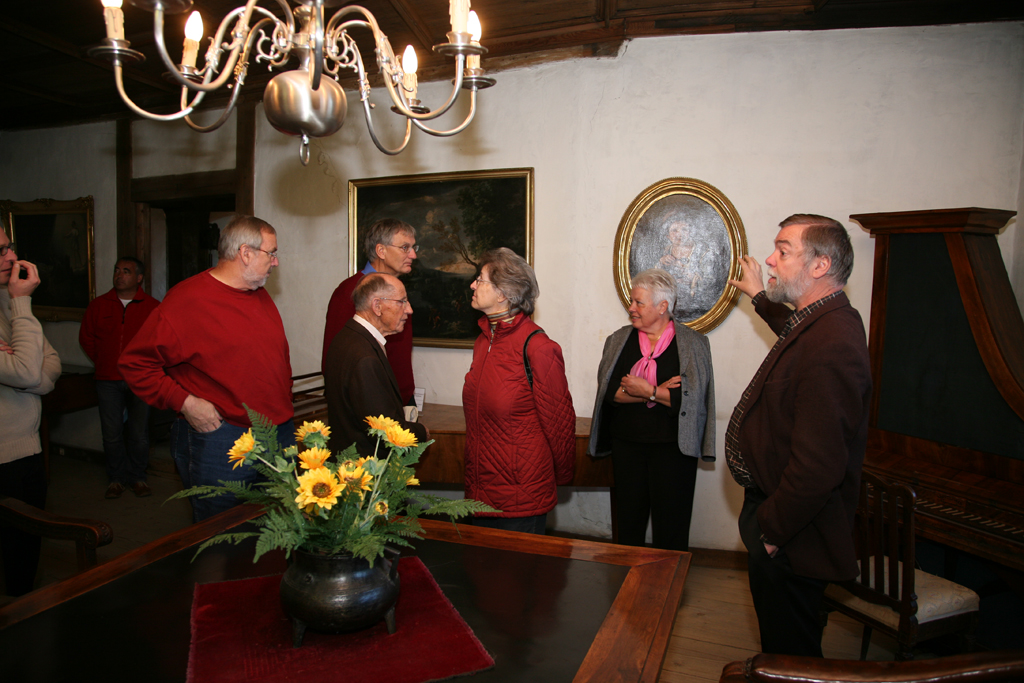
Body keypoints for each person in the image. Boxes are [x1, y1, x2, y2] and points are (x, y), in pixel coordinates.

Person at [725, 213, 871, 657]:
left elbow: (818, 467)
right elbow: (791, 332)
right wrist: (758, 296)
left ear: (820, 265)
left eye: (783, 251)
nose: (770, 260)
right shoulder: (820, 321)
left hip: (792, 535)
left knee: (791, 658)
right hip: (785, 526)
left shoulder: (834, 342)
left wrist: (772, 532)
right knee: (783, 646)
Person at [119, 216, 295, 523]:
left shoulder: (258, 292)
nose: (276, 262)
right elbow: (135, 363)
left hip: (277, 432)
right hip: (223, 437)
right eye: (272, 253)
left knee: (277, 531)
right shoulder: (188, 300)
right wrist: (185, 402)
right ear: (246, 253)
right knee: (222, 535)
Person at [587, 268, 715, 551]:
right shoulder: (618, 341)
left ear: (662, 306)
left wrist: (647, 390)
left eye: (638, 303)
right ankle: (625, 576)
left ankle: (669, 577)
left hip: (674, 451)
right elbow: (610, 393)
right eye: (631, 301)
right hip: (627, 446)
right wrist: (658, 393)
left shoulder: (693, 344)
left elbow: (693, 399)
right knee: (628, 526)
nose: (631, 308)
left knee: (671, 529)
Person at [462, 248, 575, 535]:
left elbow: (559, 424)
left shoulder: (538, 348)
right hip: (480, 490)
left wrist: (560, 477)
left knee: (519, 565)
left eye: (480, 279)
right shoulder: (483, 341)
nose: (472, 285)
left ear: (502, 293)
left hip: (522, 495)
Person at [0, 230, 61, 595]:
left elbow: (49, 360)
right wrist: (22, 303)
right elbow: (26, 370)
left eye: (9, 247)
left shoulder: (6, 300)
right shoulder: (15, 301)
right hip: (2, 456)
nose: (12, 257)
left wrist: (28, 376)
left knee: (26, 551)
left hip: (29, 448)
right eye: (0, 251)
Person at [79, 257, 160, 500]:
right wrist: (103, 361)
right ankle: (116, 478)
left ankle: (138, 477)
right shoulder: (99, 305)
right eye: (117, 270)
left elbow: (160, 342)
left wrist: (147, 369)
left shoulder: (153, 307)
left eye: (126, 271)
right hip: (108, 379)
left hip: (140, 380)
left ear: (139, 278)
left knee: (139, 433)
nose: (119, 275)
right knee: (111, 433)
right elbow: (87, 338)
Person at [325, 273, 428, 454]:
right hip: (364, 463)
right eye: (402, 302)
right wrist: (421, 432)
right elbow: (383, 430)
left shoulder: (347, 336)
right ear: (377, 306)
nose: (409, 309)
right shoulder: (365, 358)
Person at [322, 218, 417, 405]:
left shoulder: (396, 289)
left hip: (400, 399)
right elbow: (334, 357)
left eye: (414, 247)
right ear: (381, 251)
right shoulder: (349, 292)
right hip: (370, 403)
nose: (413, 255)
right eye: (405, 247)